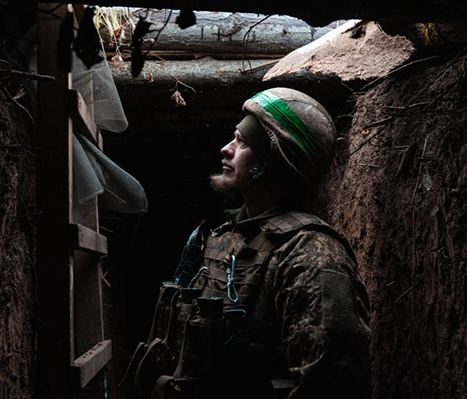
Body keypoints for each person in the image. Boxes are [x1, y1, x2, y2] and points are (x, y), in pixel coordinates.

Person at [134, 87, 372, 399]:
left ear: (271, 162)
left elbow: (332, 383)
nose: (226, 149)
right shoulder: (224, 236)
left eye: (243, 142)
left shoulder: (311, 254)